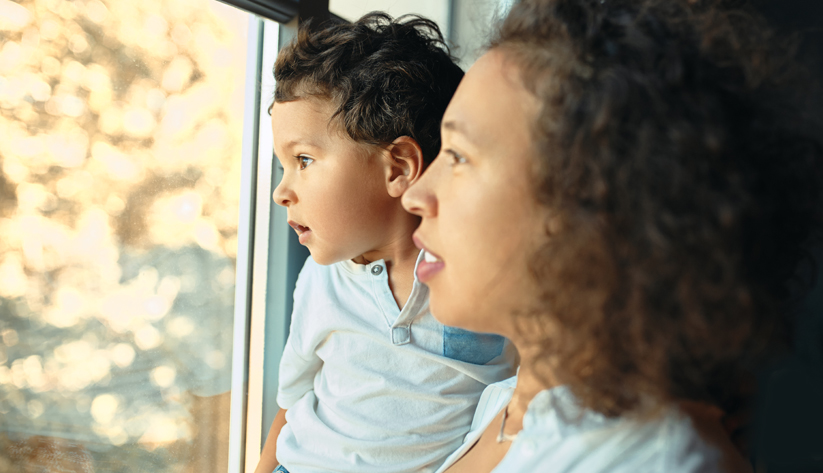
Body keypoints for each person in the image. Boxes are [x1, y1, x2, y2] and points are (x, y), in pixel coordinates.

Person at [401, 0, 823, 471]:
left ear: (592, 203)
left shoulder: (659, 463)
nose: (414, 194)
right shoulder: (508, 402)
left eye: (458, 156)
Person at [254, 13, 518, 473]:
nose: (281, 191)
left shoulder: (481, 281)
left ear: (397, 168)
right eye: (283, 166)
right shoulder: (319, 281)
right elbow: (292, 404)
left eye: (303, 160)